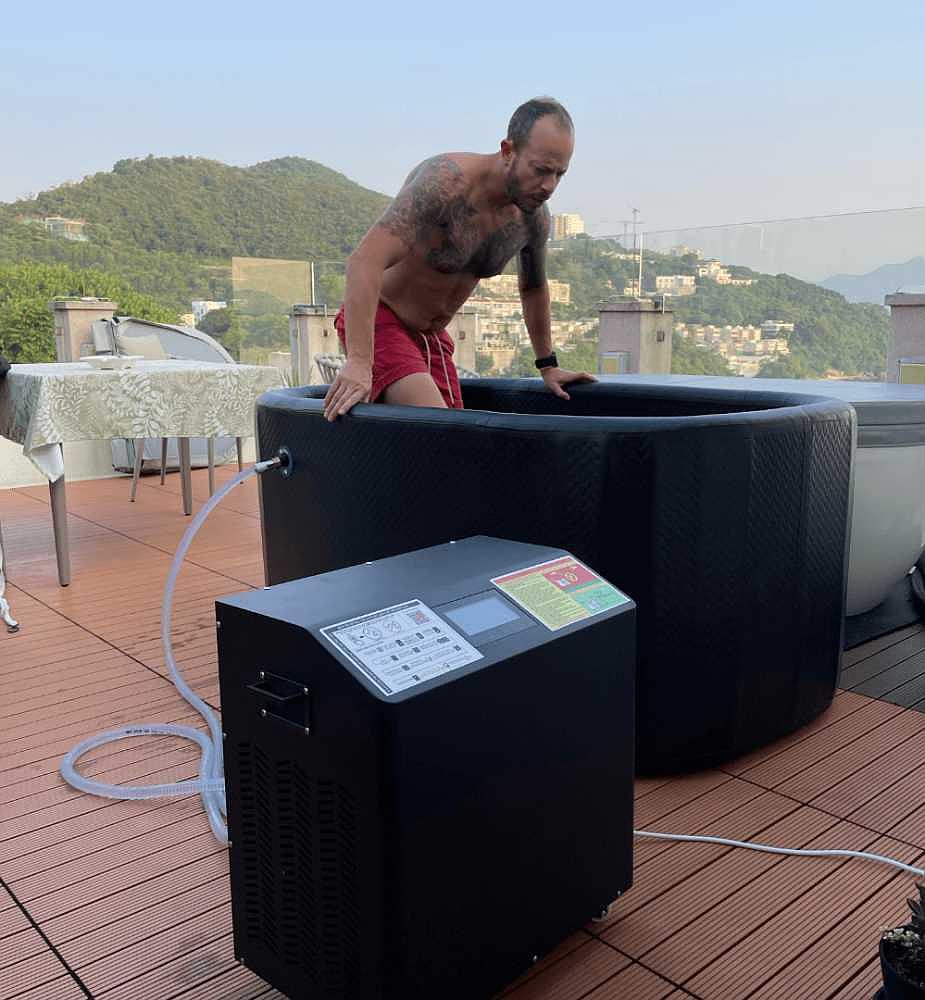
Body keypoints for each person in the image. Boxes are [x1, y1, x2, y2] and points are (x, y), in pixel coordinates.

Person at [323, 96, 595, 421]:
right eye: (540, 170)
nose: (549, 186)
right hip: (383, 321)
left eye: (559, 174)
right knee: (442, 434)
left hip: (433, 339)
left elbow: (534, 288)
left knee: (460, 442)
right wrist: (359, 361)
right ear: (508, 151)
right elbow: (363, 262)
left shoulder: (531, 218)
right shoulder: (445, 183)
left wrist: (548, 366)